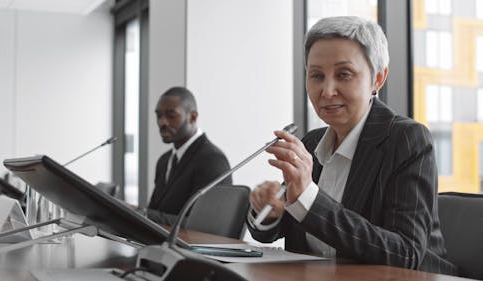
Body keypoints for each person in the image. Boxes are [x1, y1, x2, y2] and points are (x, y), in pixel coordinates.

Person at [248, 16, 457, 275]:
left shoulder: (407, 139)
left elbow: (405, 253)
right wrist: (269, 213)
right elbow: (274, 232)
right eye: (316, 75)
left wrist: (307, 198)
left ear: (378, 79)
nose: (327, 90)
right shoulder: (312, 142)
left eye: (344, 74)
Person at [147, 86, 232, 225]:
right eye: (159, 116)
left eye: (171, 116)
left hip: (187, 246)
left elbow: (203, 224)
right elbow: (154, 210)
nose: (162, 122)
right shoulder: (164, 160)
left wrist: (144, 214)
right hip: (159, 244)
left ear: (192, 117)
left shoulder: (212, 160)